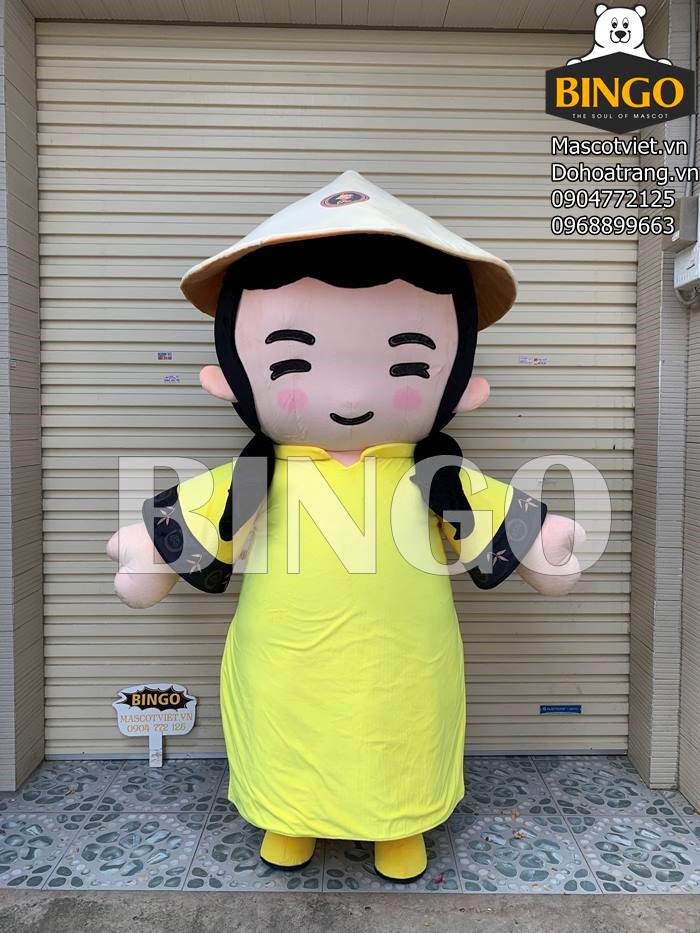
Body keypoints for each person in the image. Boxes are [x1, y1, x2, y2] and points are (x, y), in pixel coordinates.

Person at [107, 171, 584, 882]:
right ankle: (288, 815)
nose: (354, 392)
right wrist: (151, 548)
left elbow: (484, 513)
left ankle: (399, 823)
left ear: (463, 385)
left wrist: (542, 543)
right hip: (286, 655)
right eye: (292, 359)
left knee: (399, 727)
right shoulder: (258, 473)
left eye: (407, 362)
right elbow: (204, 512)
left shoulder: (435, 473)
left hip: (403, 656)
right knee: (286, 722)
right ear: (228, 376)